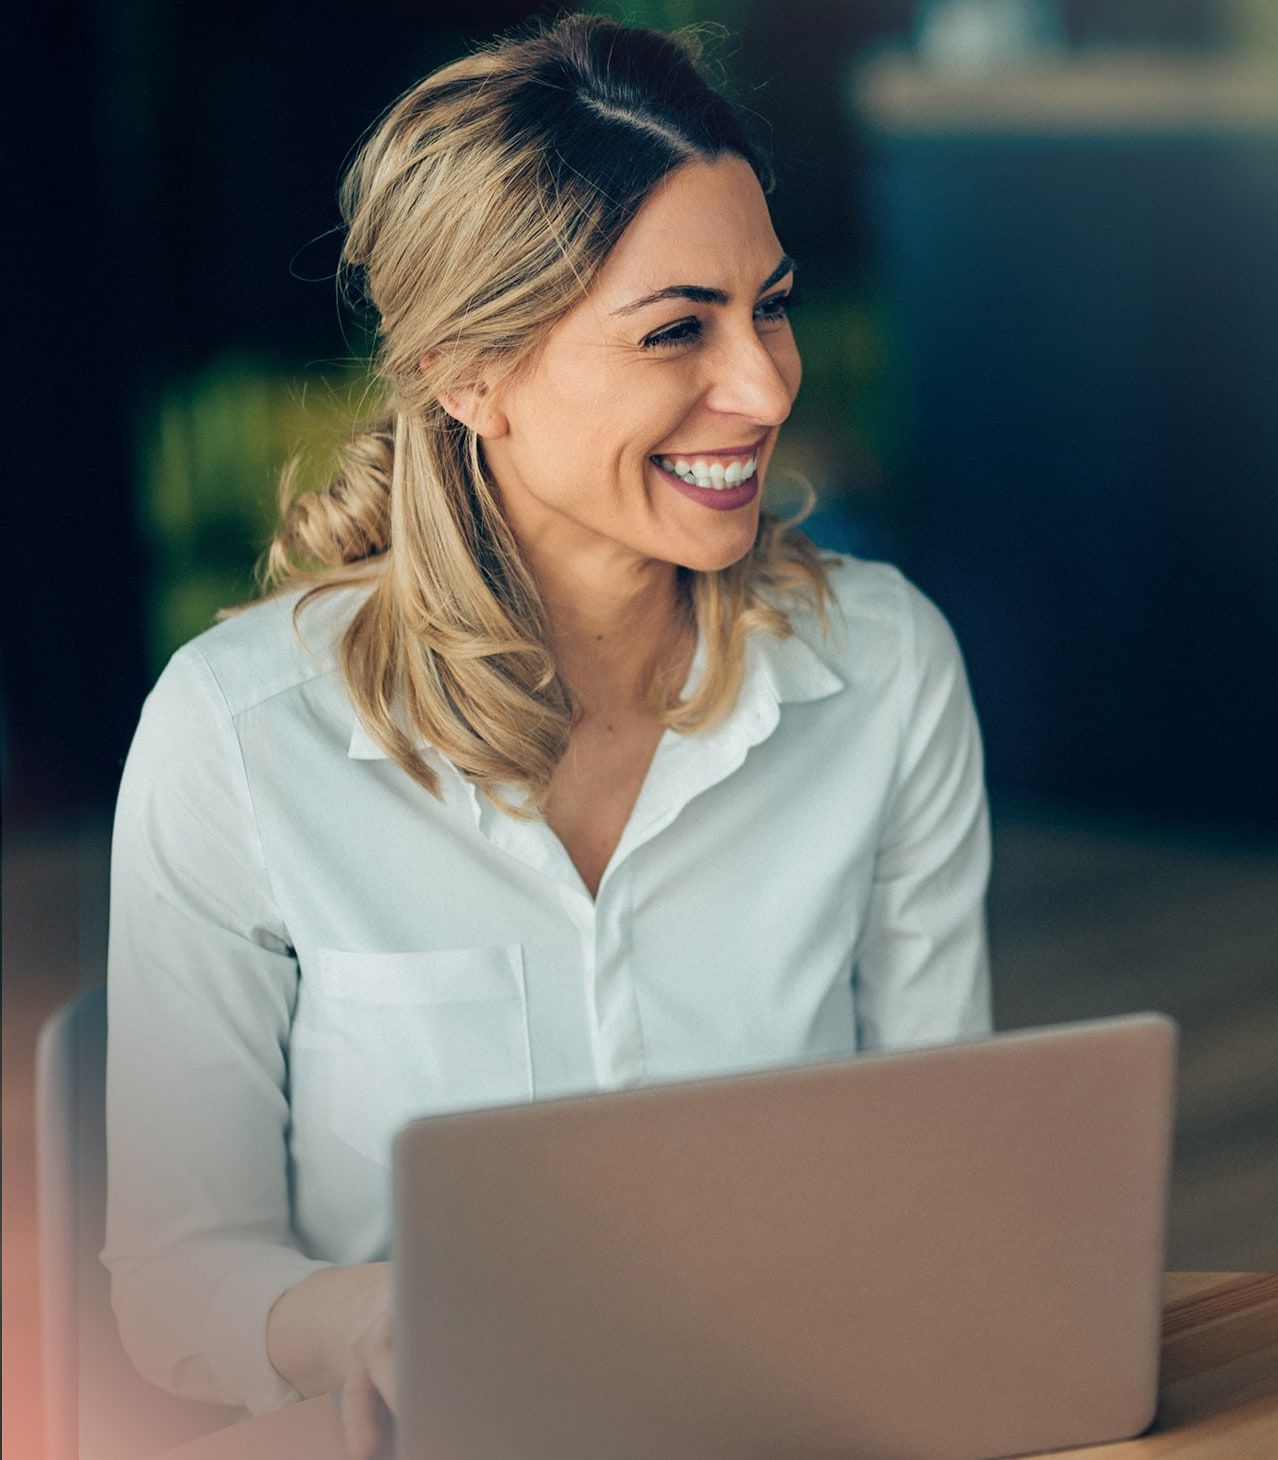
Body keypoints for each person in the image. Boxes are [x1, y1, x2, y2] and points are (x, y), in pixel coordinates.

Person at [103, 13, 992, 1459]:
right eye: (675, 331)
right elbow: (179, 1279)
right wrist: (365, 1319)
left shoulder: (885, 670)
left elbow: (949, 1164)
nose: (766, 387)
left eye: (768, 306)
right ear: (470, 373)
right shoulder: (238, 735)